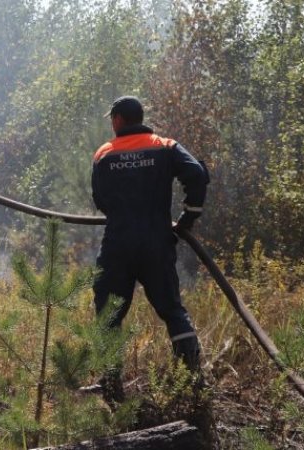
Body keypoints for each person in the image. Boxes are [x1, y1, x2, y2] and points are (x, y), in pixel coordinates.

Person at [89, 96, 210, 403]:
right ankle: (192, 379)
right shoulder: (166, 146)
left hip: (118, 244)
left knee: (109, 316)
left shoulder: (104, 154)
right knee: (172, 311)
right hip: (157, 241)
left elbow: (100, 200)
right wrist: (187, 218)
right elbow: (196, 174)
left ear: (117, 119)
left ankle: (112, 390)